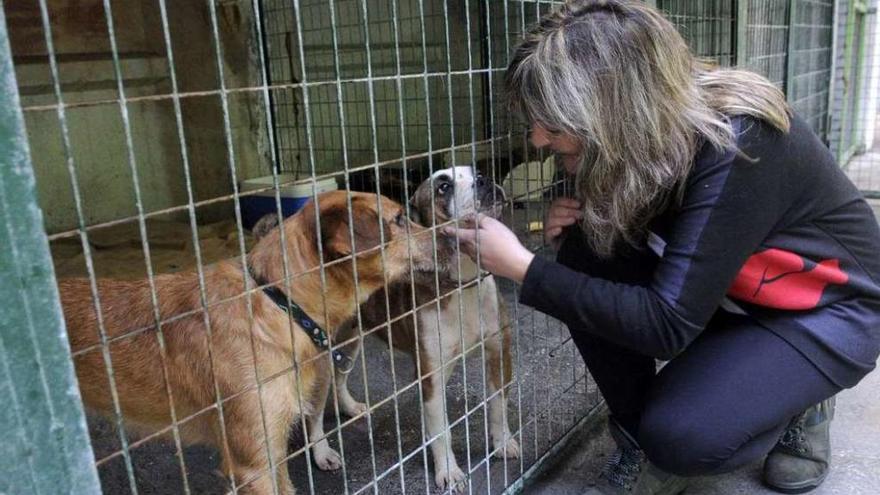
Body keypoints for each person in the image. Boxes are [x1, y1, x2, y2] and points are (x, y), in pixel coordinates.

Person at [445, 1, 880, 494]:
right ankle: (639, 440)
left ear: (615, 108)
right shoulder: (643, 135)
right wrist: (573, 220)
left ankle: (801, 398)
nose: (539, 139)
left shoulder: (738, 141)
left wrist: (523, 267)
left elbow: (666, 326)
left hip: (820, 311)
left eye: (554, 122)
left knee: (682, 437)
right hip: (733, 293)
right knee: (585, 249)